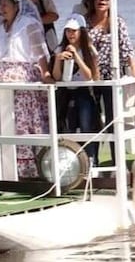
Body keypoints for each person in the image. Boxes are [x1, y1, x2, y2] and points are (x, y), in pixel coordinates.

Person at [0, 0, 51, 187]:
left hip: (22, 82)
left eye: (6, 5)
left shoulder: (28, 24)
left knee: (22, 124)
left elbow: (39, 53)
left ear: (17, 5)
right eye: (2, 5)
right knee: (2, 125)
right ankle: (2, 173)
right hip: (1, 82)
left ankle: (27, 171)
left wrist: (46, 75)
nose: (3, 9)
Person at [85, 0, 135, 168]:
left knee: (112, 120)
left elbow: (127, 48)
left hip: (111, 77)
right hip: (90, 78)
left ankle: (117, 163)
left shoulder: (117, 22)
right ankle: (92, 163)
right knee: (90, 120)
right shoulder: (84, 22)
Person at [51, 13, 99, 160]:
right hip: (66, 93)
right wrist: (58, 60)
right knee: (67, 127)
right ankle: (69, 160)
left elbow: (89, 75)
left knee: (86, 125)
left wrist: (76, 57)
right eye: (68, 31)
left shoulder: (88, 50)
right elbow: (57, 77)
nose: (70, 34)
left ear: (81, 31)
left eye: (74, 31)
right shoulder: (60, 49)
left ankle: (91, 159)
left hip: (84, 92)